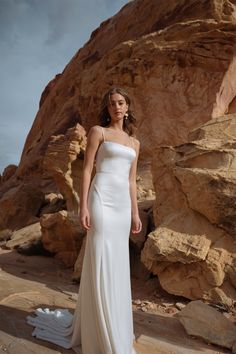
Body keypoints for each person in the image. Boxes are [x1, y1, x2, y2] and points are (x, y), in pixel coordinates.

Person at [27, 87, 142, 354]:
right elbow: (88, 168)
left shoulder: (135, 143)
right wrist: (84, 206)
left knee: (117, 263)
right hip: (101, 198)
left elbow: (132, 182)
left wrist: (136, 212)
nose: (116, 107)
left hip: (123, 204)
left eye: (121, 102)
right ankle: (98, 330)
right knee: (100, 256)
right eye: (112, 103)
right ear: (108, 107)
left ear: (127, 107)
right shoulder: (97, 132)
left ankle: (114, 325)